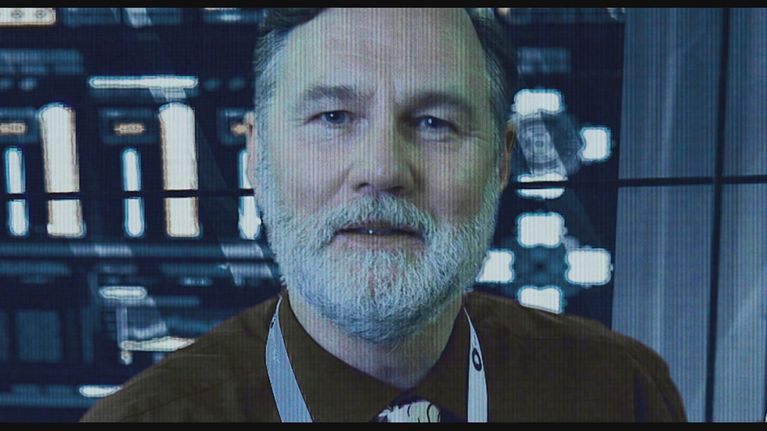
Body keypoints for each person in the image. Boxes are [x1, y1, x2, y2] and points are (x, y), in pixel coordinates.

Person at [81, 8, 687, 422]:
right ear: (257, 158)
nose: (382, 169)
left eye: (434, 122)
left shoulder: (620, 392)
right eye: (333, 118)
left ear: (502, 162)